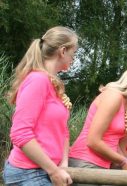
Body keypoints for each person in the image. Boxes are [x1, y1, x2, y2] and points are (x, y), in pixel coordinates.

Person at [3, 26, 78, 186]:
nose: (74, 58)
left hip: (47, 170)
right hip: (28, 173)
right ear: (63, 51)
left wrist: (63, 164)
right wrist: (54, 171)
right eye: (74, 53)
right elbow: (20, 133)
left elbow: (63, 131)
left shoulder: (54, 85)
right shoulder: (38, 80)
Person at [68, 59, 127, 179]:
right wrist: (123, 161)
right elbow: (93, 141)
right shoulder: (113, 96)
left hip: (103, 165)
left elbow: (114, 142)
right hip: (85, 163)